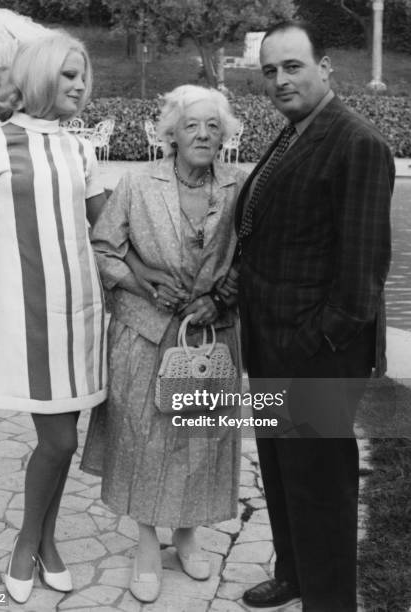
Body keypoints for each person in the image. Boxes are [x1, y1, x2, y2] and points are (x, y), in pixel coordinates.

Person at [235, 21, 394, 611]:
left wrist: (309, 346)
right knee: (281, 472)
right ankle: (294, 572)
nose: (279, 80)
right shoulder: (294, 133)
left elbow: (361, 279)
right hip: (273, 346)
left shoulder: (357, 143)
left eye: (292, 66)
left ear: (324, 67)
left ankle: (328, 600)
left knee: (321, 487)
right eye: (270, 70)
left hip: (316, 356)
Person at [0, 34, 107, 604]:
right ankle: (28, 540)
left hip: (81, 313)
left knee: (63, 440)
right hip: (27, 316)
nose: (79, 85)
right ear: (41, 78)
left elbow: (107, 231)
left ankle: (43, 539)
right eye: (68, 75)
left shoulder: (81, 150)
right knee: (59, 440)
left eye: (83, 75)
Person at [81, 84, 245, 603]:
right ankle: (148, 545)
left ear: (225, 136)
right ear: (171, 132)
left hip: (208, 338)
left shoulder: (238, 188)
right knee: (142, 439)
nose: (202, 134)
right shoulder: (136, 183)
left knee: (201, 440)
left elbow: (252, 259)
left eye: (213, 125)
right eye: (191, 124)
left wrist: (221, 298)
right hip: (145, 333)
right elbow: (105, 247)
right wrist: (142, 279)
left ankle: (188, 536)